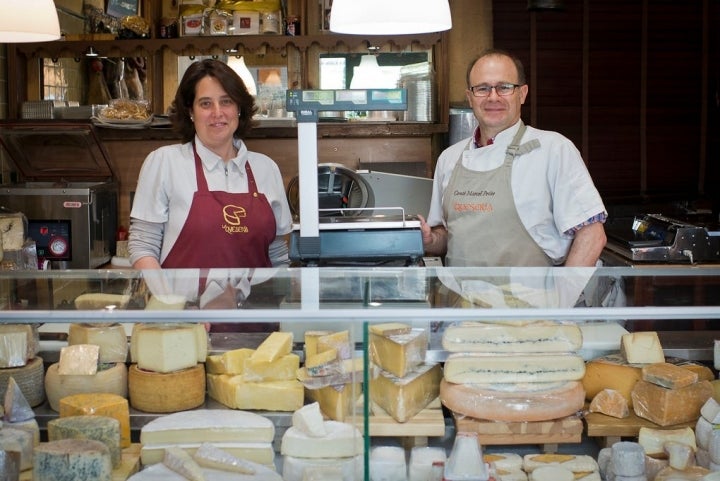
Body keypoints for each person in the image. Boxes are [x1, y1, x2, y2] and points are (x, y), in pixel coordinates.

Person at [420, 49, 607, 267]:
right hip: (460, 298)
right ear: (470, 98)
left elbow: (592, 235)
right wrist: (431, 239)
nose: (493, 97)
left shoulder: (554, 150)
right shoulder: (449, 159)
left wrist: (563, 296)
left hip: (533, 299)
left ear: (522, 93)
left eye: (504, 87)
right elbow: (446, 235)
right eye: (482, 88)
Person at [128, 58, 292, 271]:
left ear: (239, 108)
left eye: (226, 101)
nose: (217, 113)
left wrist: (280, 296)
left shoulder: (266, 168)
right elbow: (143, 247)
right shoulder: (164, 163)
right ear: (190, 111)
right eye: (205, 103)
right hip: (183, 303)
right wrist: (166, 299)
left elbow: (277, 253)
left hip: (257, 303)